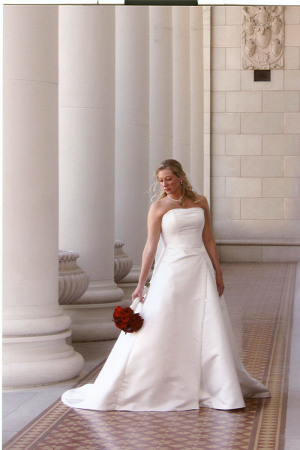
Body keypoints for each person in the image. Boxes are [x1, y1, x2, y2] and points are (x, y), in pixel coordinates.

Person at [61, 159, 270, 411]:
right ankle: (158, 381)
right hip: (171, 270)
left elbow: (209, 239)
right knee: (164, 319)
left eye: (168, 179)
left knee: (204, 322)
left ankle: (214, 384)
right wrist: (140, 284)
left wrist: (218, 271)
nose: (164, 184)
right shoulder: (158, 207)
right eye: (160, 180)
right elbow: (151, 246)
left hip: (199, 269)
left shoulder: (201, 202)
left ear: (180, 177)